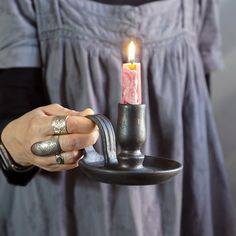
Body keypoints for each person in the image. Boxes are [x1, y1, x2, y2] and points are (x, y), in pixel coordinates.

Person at [0, 0, 236, 236]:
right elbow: (13, 115)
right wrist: (20, 145)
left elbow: (197, 111)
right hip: (65, 204)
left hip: (179, 197)